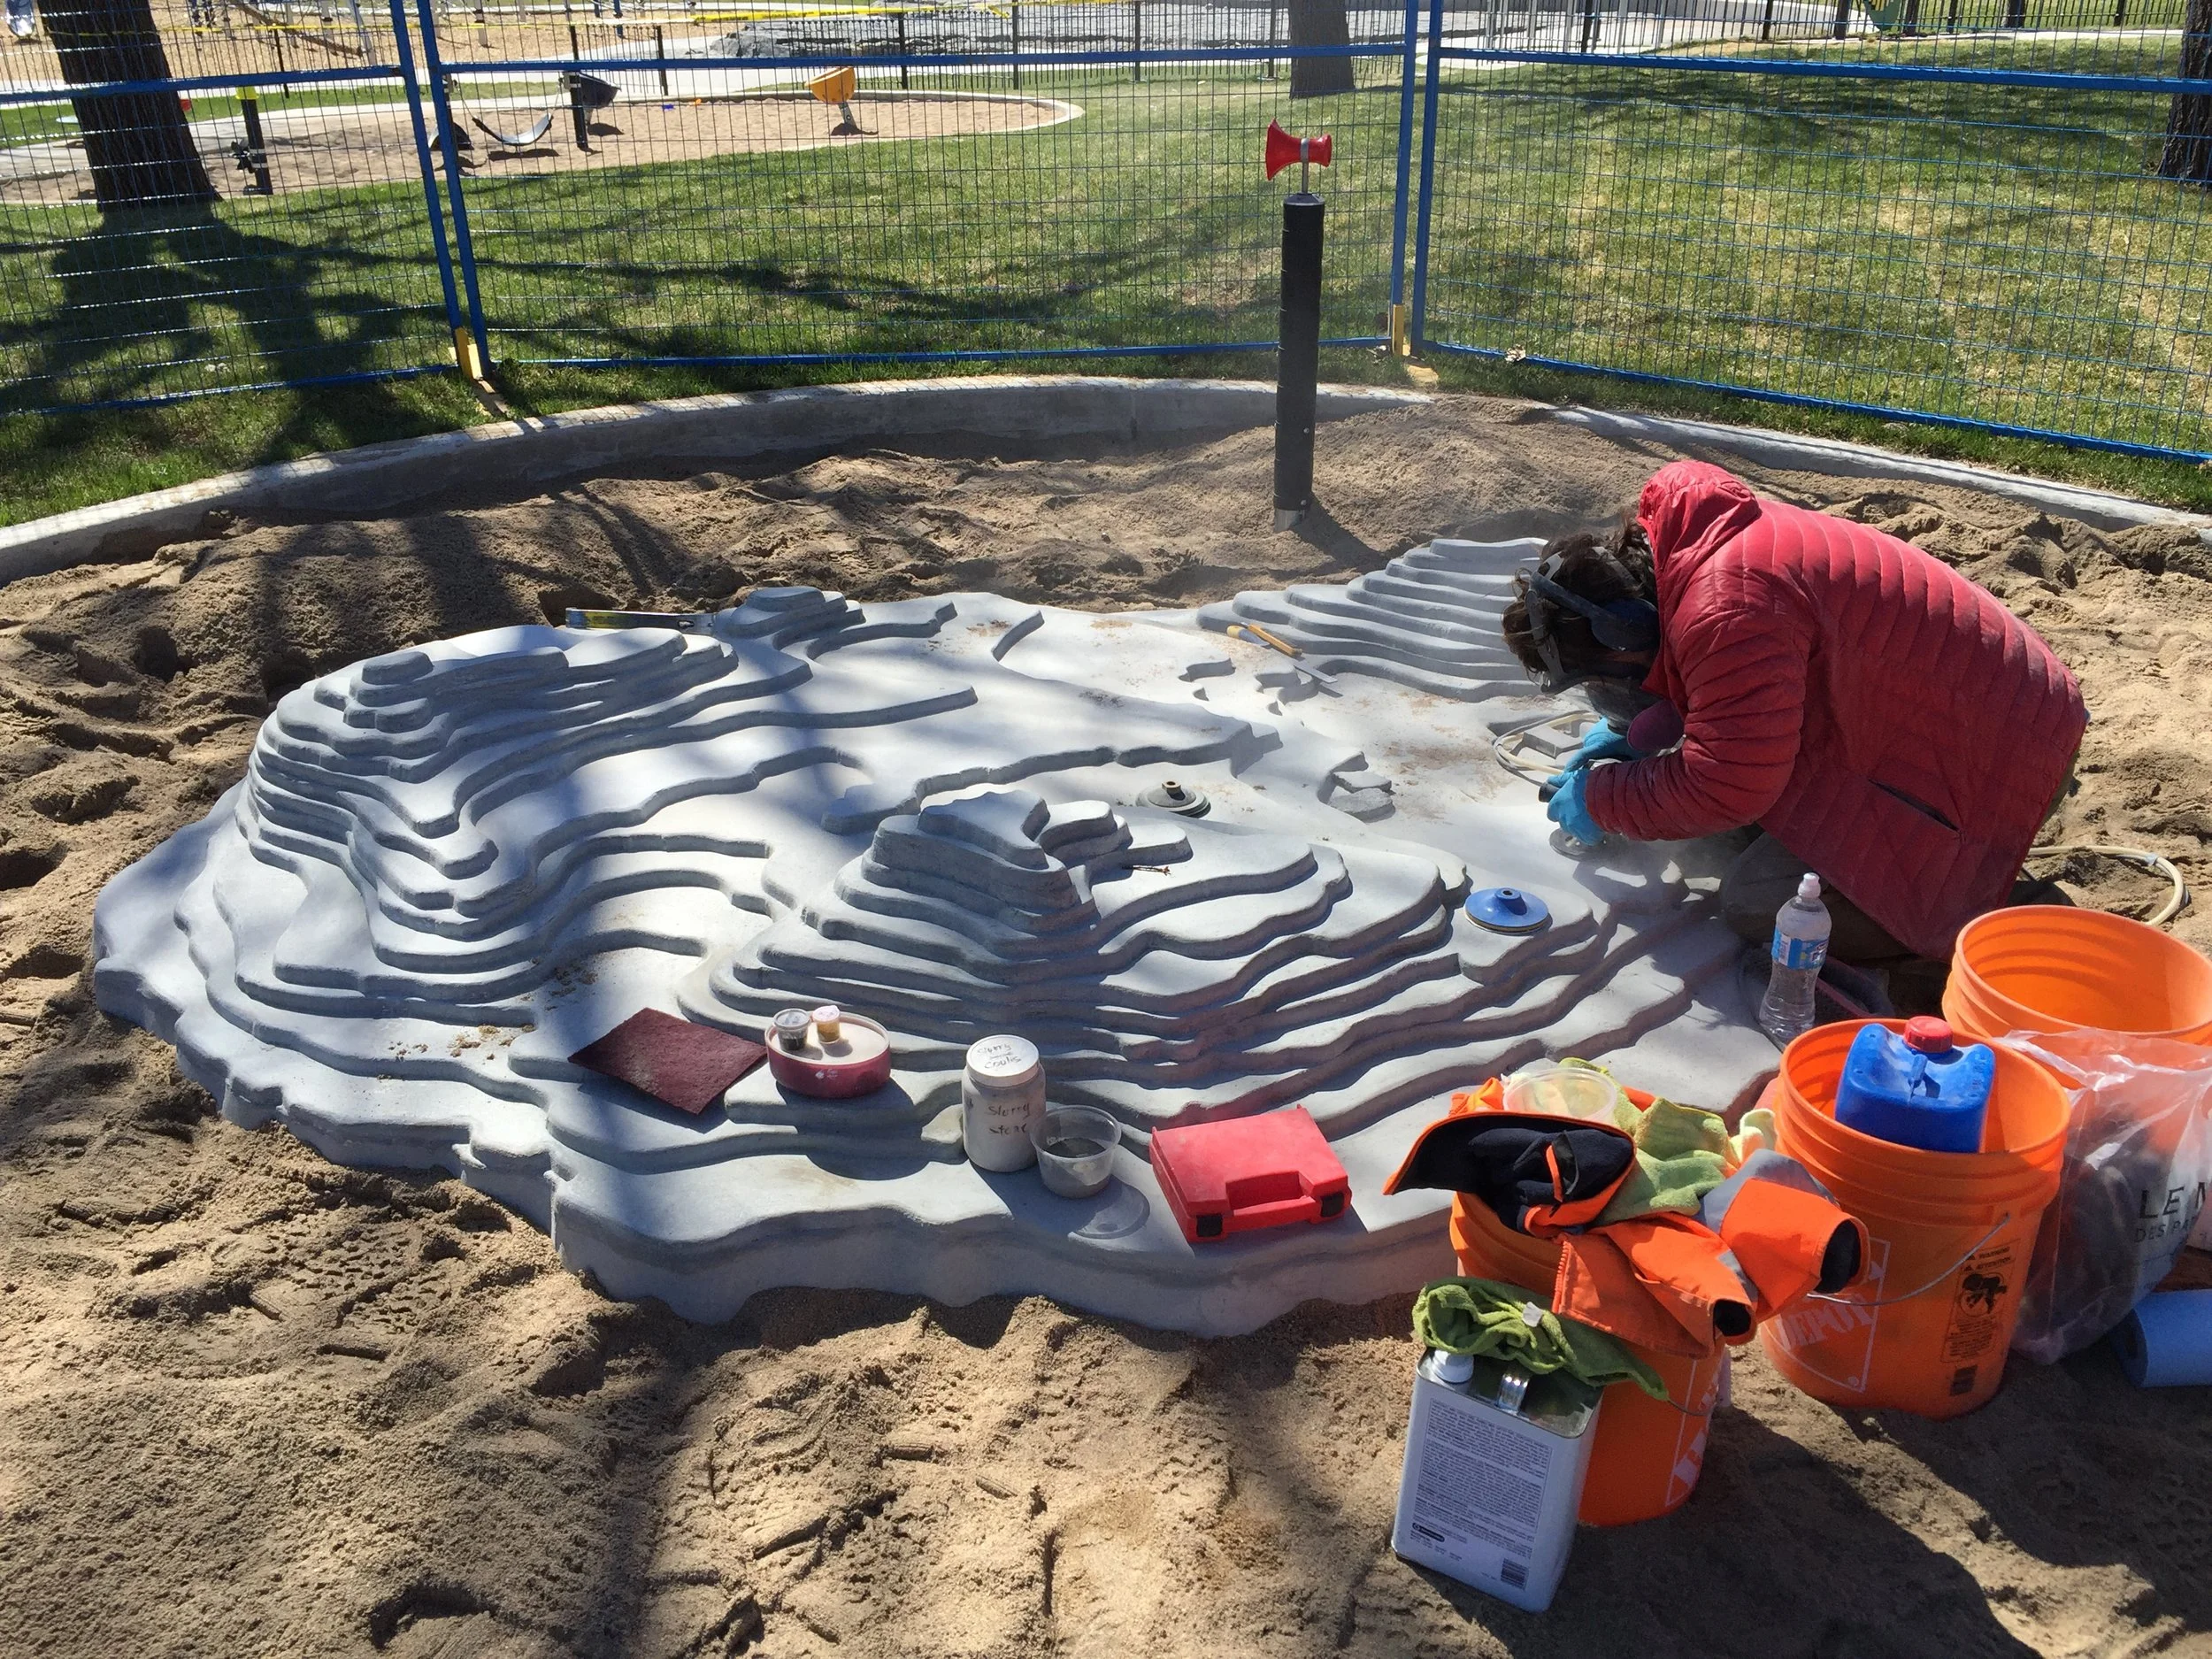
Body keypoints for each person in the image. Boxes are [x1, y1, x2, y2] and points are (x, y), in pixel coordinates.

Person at [1500, 458, 2087, 971]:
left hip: (2008, 759)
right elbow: (1741, 697)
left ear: (1625, 627)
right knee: (1715, 831)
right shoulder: (1690, 550)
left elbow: (1727, 782)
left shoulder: (1726, 610)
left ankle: (1986, 927)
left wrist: (1605, 797)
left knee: (1757, 903)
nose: (1609, 693)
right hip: (1970, 713)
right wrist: (1625, 738)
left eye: (1604, 679)